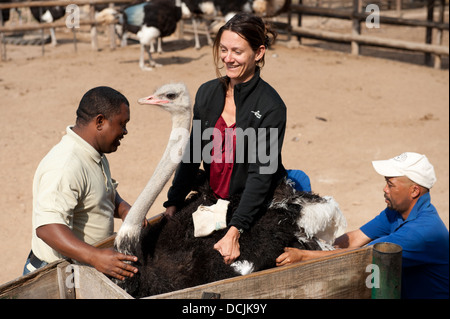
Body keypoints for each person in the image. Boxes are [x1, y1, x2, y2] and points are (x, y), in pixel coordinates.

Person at [163, 13, 287, 265]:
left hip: (252, 201)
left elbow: (261, 175)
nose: (228, 58)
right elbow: (193, 152)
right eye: (223, 49)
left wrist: (235, 230)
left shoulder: (271, 107)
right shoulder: (208, 93)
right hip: (213, 194)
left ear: (259, 52)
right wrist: (174, 201)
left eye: (237, 52)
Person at [276, 152, 449, 299]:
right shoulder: (397, 212)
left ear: (414, 191)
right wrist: (316, 248)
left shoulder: (422, 232)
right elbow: (355, 238)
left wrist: (303, 256)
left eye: (390, 185)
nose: (385, 189)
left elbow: (358, 257)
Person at [23, 86, 139, 281]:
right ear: (100, 121)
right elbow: (48, 227)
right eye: (122, 124)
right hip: (57, 275)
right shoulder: (65, 165)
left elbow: (100, 194)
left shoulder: (94, 153)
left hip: (83, 266)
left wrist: (125, 209)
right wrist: (95, 257)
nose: (125, 131)